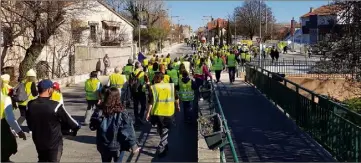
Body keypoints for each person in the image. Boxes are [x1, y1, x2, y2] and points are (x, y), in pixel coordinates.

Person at [26, 79, 80, 162]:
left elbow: (29, 123)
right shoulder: (55, 106)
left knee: (42, 159)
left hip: (38, 140)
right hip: (54, 142)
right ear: (49, 90)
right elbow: (71, 122)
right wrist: (76, 127)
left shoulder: (30, 104)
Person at [89, 87, 140, 162]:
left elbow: (92, 126)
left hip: (103, 145)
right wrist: (133, 145)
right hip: (118, 145)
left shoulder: (100, 110)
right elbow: (129, 129)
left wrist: (98, 109)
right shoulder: (122, 112)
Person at [145, 72, 180, 157]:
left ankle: (162, 148)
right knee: (163, 130)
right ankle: (164, 144)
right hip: (169, 112)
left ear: (157, 79)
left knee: (162, 130)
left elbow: (150, 102)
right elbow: (176, 98)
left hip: (157, 113)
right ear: (163, 78)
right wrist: (177, 106)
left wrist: (148, 113)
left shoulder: (153, 88)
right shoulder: (171, 86)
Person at [1, 78, 27, 162]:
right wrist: (19, 131)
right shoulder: (5, 99)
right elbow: (10, 119)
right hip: (2, 126)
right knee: (8, 146)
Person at [131, 62, 146, 127]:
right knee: (143, 105)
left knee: (135, 106)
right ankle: (140, 117)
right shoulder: (143, 73)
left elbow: (130, 83)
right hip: (141, 91)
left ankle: (136, 118)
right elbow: (146, 81)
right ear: (139, 67)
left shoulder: (132, 73)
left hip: (134, 92)